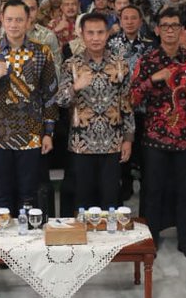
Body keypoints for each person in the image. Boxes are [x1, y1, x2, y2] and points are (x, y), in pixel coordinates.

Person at [0, 0, 59, 216]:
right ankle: (2, 243)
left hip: (32, 133)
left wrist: (49, 132)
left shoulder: (41, 52)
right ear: (1, 19)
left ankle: (27, 243)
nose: (14, 24)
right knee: (2, 191)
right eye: (9, 19)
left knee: (29, 192)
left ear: (29, 21)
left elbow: (50, 94)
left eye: (19, 19)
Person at [131, 7, 186, 260]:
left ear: (182, 29)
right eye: (166, 26)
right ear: (157, 30)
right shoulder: (148, 60)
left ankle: (185, 241)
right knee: (153, 190)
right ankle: (150, 240)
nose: (171, 30)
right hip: (155, 137)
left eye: (175, 25)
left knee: (185, 191)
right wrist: (154, 79)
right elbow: (131, 98)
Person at [56, 13, 135, 210]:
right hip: (81, 144)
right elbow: (60, 101)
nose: (95, 37)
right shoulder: (71, 65)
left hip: (112, 142)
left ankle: (109, 240)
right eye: (90, 33)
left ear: (108, 34)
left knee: (110, 199)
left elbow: (126, 103)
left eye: (100, 32)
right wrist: (75, 87)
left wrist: (128, 138)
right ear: (81, 35)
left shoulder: (120, 65)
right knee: (83, 199)